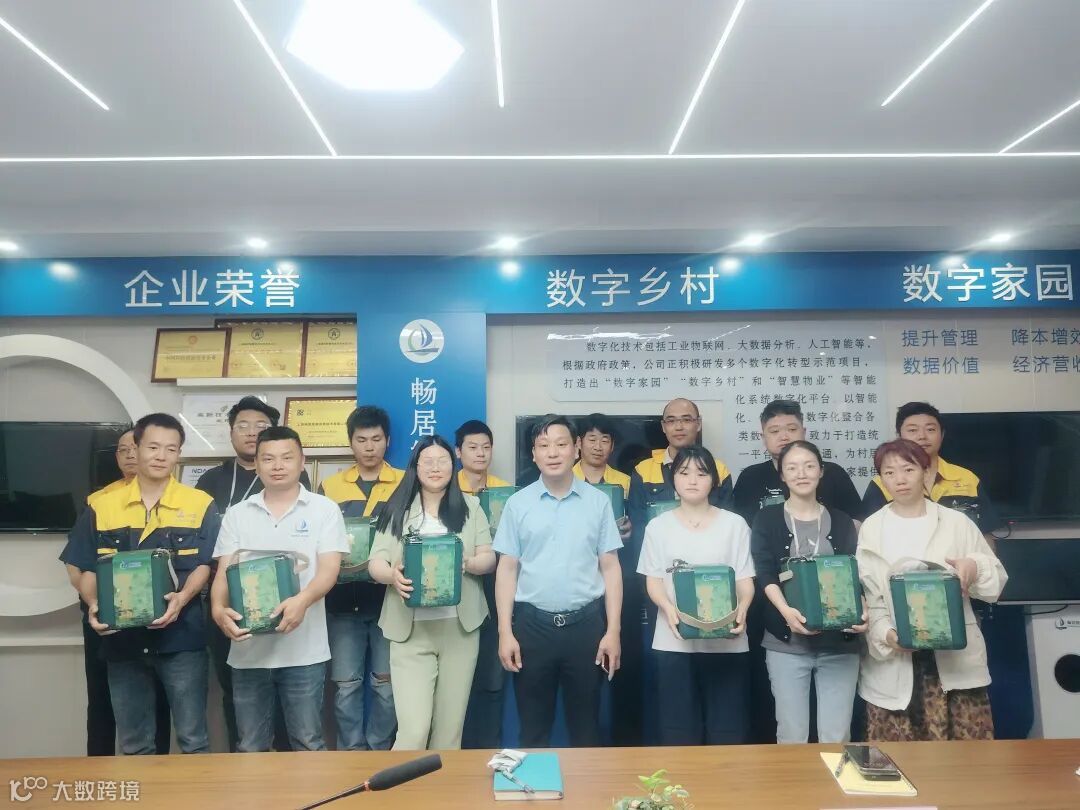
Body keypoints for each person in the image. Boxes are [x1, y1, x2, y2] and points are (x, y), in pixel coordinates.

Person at [62, 413, 218, 755]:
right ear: (136, 448)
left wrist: (182, 598)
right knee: (134, 744)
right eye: (153, 447)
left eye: (171, 449)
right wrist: (95, 604)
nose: (161, 456)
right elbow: (84, 567)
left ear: (179, 454)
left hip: (182, 639)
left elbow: (204, 565)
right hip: (123, 641)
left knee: (193, 740)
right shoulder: (102, 505)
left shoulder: (200, 504)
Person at [857, 439, 1007, 741]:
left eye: (908, 469)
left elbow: (996, 581)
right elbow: (871, 596)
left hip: (954, 660)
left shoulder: (956, 523)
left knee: (965, 757)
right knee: (897, 758)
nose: (900, 479)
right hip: (897, 659)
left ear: (926, 473)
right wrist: (888, 635)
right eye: (889, 473)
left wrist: (973, 567)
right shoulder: (872, 528)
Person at [732, 399, 863, 744]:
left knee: (837, 735)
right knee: (791, 734)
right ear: (782, 474)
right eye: (792, 468)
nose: (801, 473)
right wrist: (786, 612)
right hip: (785, 641)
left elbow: (856, 574)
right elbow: (764, 571)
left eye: (808, 466)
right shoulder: (766, 519)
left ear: (821, 471)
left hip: (840, 642)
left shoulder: (843, 521)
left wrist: (862, 611)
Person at [210, 426, 347, 752]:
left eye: (286, 457)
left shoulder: (324, 509)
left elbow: (329, 570)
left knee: (308, 742)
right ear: (256, 464)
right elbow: (223, 573)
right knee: (250, 746)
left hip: (305, 651)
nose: (277, 465)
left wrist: (303, 601)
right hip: (248, 652)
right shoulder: (238, 514)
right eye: (268, 458)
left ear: (302, 461)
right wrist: (217, 609)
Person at [494, 415, 623, 747]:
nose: (553, 453)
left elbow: (610, 567)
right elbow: (507, 569)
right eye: (544, 445)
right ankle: (534, 782)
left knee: (587, 728)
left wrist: (613, 630)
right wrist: (505, 632)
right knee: (532, 730)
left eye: (561, 444)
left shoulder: (598, 502)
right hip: (532, 628)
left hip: (586, 628)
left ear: (576, 449)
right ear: (534, 453)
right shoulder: (517, 504)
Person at [195, 396, 310, 752]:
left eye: (260, 426)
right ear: (231, 432)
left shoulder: (296, 482)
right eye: (242, 425)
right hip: (229, 602)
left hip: (288, 608)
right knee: (237, 696)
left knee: (292, 706)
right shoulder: (211, 480)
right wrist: (218, 606)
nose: (251, 432)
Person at [368, 435, 496, 750]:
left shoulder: (471, 507)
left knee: (449, 734)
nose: (435, 468)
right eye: (427, 461)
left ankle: (443, 785)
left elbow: (489, 557)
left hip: (460, 630)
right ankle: (400, 785)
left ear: (453, 466)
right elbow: (375, 563)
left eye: (442, 461)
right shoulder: (396, 509)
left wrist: (467, 563)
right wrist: (392, 576)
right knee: (413, 732)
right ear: (415, 466)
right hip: (410, 632)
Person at [626, 397, 732, 745]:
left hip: (715, 601)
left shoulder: (720, 469)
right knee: (670, 692)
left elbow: (725, 523)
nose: (679, 426)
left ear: (698, 424)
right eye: (672, 420)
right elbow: (639, 531)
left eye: (687, 419)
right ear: (663, 426)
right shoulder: (644, 470)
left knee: (720, 701)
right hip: (664, 596)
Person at [61, 429, 171, 756]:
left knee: (158, 696)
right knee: (102, 694)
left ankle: (156, 771)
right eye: (123, 450)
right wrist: (94, 602)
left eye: (137, 447)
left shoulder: (176, 498)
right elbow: (76, 562)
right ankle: (100, 769)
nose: (131, 455)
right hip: (106, 617)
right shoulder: (99, 502)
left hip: (159, 617)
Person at [638, 445, 755, 745]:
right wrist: (668, 609)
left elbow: (744, 579)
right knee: (678, 731)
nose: (692, 480)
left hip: (727, 642)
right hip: (673, 640)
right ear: (673, 479)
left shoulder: (735, 524)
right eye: (684, 472)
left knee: (727, 730)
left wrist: (742, 609)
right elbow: (654, 580)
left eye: (702, 474)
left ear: (714, 480)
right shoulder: (657, 526)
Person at [318, 405, 403, 750]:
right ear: (351, 442)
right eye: (362, 440)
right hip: (341, 604)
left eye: (376, 439)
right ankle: (351, 753)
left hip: (390, 603)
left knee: (387, 686)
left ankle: (379, 751)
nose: (369, 447)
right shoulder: (330, 487)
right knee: (346, 686)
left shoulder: (405, 483)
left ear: (388, 441)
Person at [453, 420, 510, 750]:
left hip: (496, 585)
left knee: (491, 675)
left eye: (486, 447)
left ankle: (488, 748)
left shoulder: (507, 491)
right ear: (458, 452)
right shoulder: (445, 488)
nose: (480, 453)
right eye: (472, 447)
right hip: (458, 588)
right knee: (457, 679)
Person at [861, 402, 1002, 535]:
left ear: (942, 435)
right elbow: (871, 532)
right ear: (899, 436)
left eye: (930, 429)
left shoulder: (967, 479)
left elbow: (985, 535)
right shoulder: (882, 483)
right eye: (912, 430)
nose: (922, 436)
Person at [733, 399, 863, 527]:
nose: (784, 437)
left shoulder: (833, 473)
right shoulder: (750, 477)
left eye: (792, 429)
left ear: (803, 432)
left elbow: (857, 522)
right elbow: (739, 528)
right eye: (775, 431)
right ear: (763, 437)